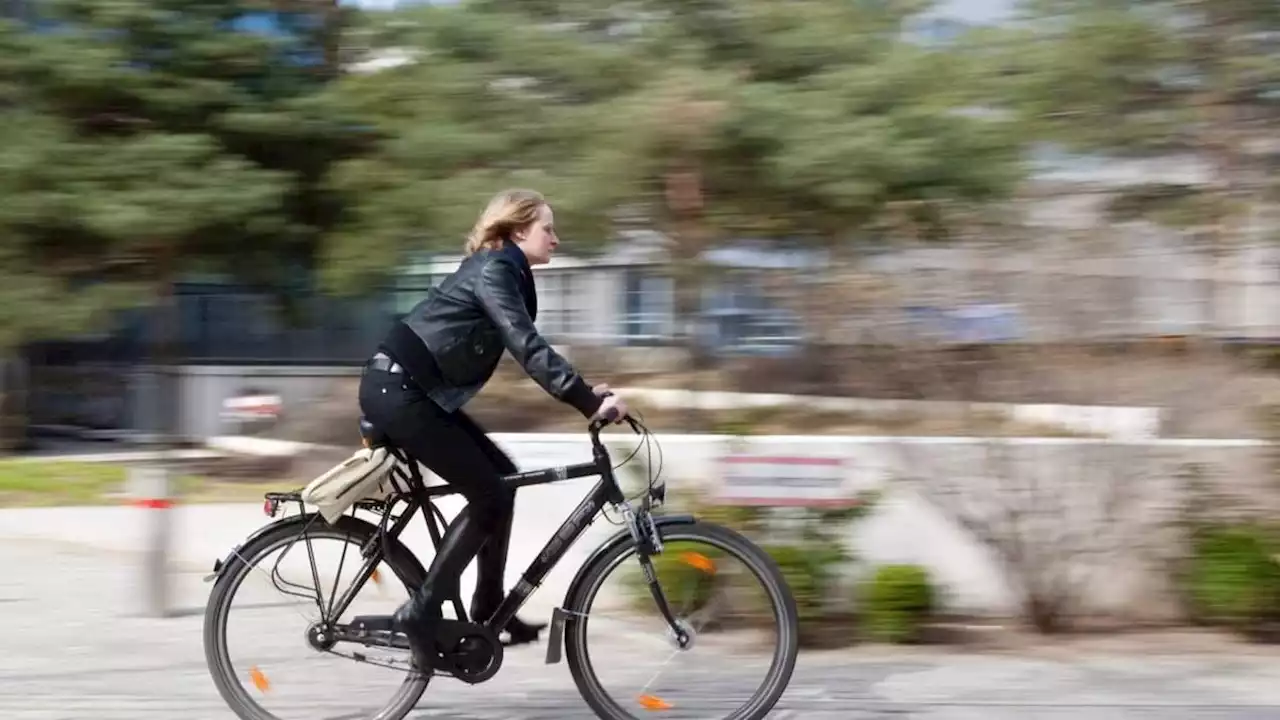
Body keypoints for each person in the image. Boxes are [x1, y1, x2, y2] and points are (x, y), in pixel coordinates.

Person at [357, 188, 629, 672]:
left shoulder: (505, 268)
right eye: (548, 228)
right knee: (489, 495)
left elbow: (526, 345)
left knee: (502, 476)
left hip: (413, 391)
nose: (556, 238)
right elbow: (526, 344)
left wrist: (586, 390)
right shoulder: (497, 269)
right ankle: (419, 613)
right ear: (519, 230)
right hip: (399, 392)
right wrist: (586, 400)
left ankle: (487, 606)